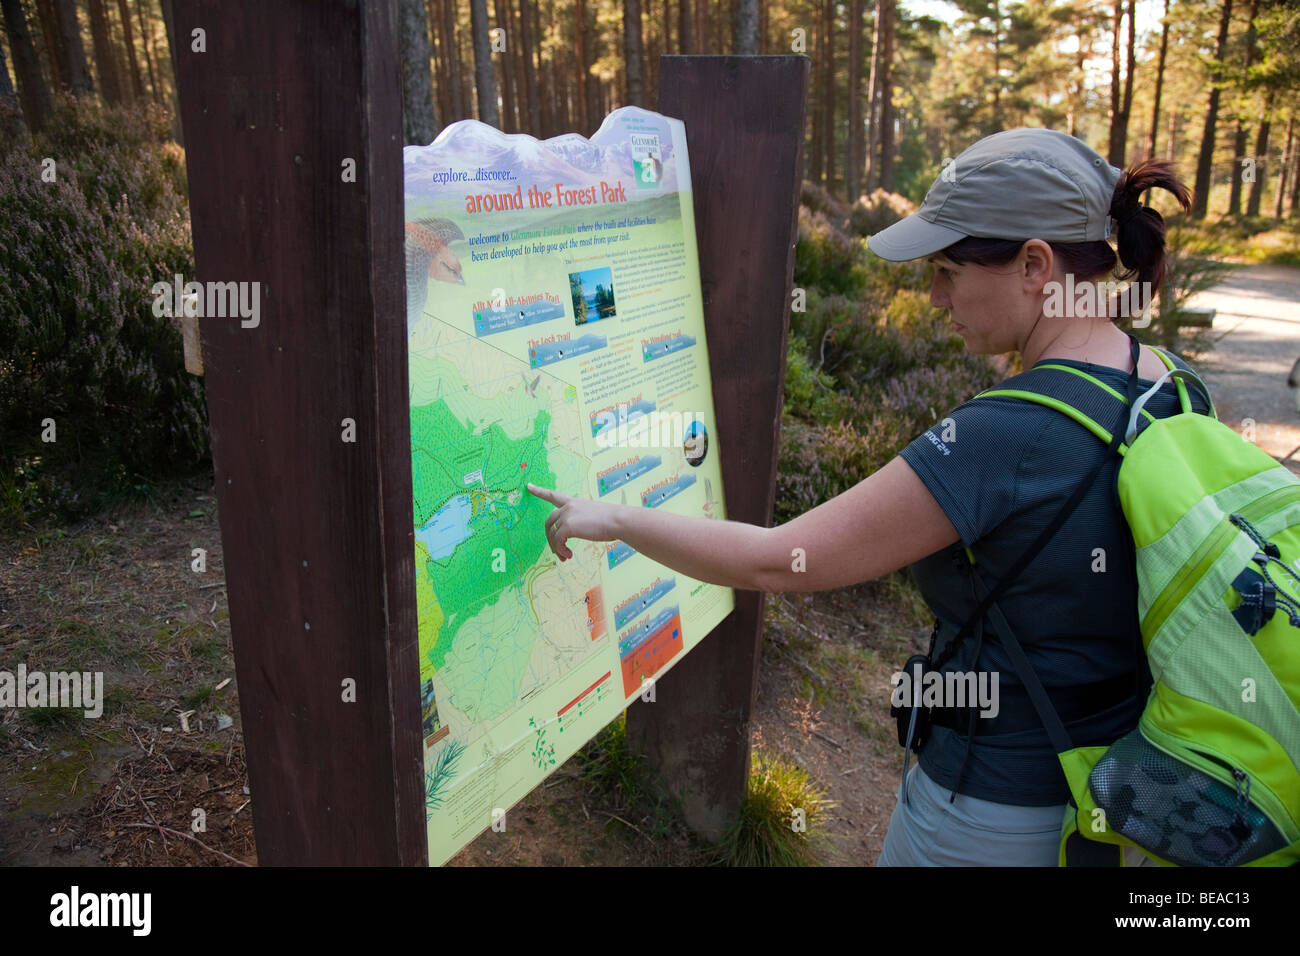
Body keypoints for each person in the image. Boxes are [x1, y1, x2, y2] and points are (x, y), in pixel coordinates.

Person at [526, 127, 1209, 866]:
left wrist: (618, 517)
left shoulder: (1005, 433)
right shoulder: (1173, 386)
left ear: (1035, 265)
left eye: (949, 269)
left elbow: (779, 561)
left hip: (985, 815)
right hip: (1122, 800)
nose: (935, 295)